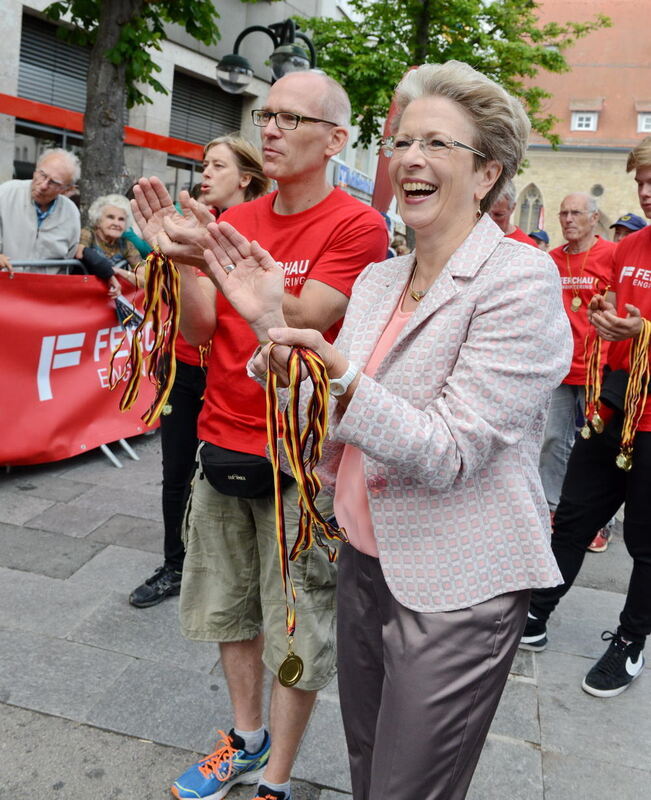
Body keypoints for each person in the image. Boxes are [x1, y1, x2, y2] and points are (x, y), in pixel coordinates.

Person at [195, 61, 572, 800]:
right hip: (364, 560)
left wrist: (335, 375)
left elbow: (450, 450)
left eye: (436, 144)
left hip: (459, 584)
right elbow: (329, 415)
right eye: (401, 141)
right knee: (368, 767)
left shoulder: (520, 282)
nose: (409, 159)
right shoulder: (377, 281)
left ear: (487, 172)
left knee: (408, 787)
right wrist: (271, 327)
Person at [131, 70, 388, 800]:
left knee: (296, 625)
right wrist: (183, 262)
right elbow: (202, 328)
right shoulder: (235, 222)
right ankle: (245, 741)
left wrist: (226, 270)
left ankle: (277, 777)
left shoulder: (356, 224)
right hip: (222, 439)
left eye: (290, 118)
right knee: (227, 609)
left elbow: (304, 319)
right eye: (266, 114)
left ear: (336, 140)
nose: (269, 127)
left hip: (302, 463)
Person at [520, 136, 651, 698]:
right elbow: (616, 313)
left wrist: (643, 332)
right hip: (611, 407)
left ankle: (630, 641)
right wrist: (604, 317)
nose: (645, 191)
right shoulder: (630, 248)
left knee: (645, 545)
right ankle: (536, 613)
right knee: (572, 517)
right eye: (641, 180)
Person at [129, 134, 271, 609]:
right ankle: (174, 563)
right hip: (184, 367)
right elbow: (180, 311)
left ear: (245, 177)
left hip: (231, 376)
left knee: (220, 475)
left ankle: (226, 569)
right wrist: (160, 264)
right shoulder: (183, 226)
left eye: (218, 166)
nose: (205, 173)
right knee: (175, 471)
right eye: (204, 164)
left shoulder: (255, 234)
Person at [539, 193, 616, 552]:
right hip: (559, 369)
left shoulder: (611, 256)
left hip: (598, 369)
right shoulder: (551, 260)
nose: (568, 219)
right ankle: (552, 509)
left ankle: (601, 522)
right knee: (553, 441)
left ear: (593, 217)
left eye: (576, 213)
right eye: (563, 213)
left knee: (596, 448)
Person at [0, 148, 80, 274]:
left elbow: (67, 261)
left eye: (53, 182)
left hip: (42, 289)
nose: (43, 186)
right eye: (42, 175)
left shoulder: (71, 213)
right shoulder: (6, 193)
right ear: (36, 169)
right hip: (5, 285)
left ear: (66, 190)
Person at [75, 194, 141, 297]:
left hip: (110, 300)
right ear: (98, 220)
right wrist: (109, 271)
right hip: (83, 297)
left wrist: (119, 271)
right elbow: (79, 252)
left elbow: (146, 280)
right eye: (110, 217)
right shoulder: (88, 233)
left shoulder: (126, 244)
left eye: (121, 219)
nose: (116, 223)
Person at [488, 179, 536, 244]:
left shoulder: (527, 246)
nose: (490, 220)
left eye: (498, 215)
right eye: (486, 214)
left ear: (512, 208)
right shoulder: (473, 234)